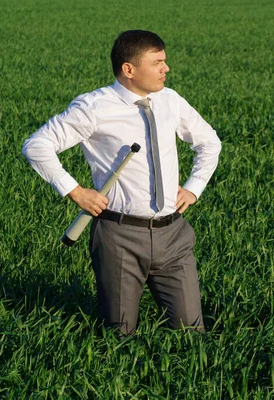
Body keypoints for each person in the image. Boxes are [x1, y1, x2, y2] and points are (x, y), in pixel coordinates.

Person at [22, 30, 222, 334]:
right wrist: (75, 191)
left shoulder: (170, 100)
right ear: (129, 69)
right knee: (118, 332)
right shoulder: (94, 107)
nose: (166, 69)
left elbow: (209, 143)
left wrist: (194, 187)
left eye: (164, 61)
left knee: (191, 333)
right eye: (157, 62)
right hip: (119, 236)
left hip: (174, 236)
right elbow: (37, 146)